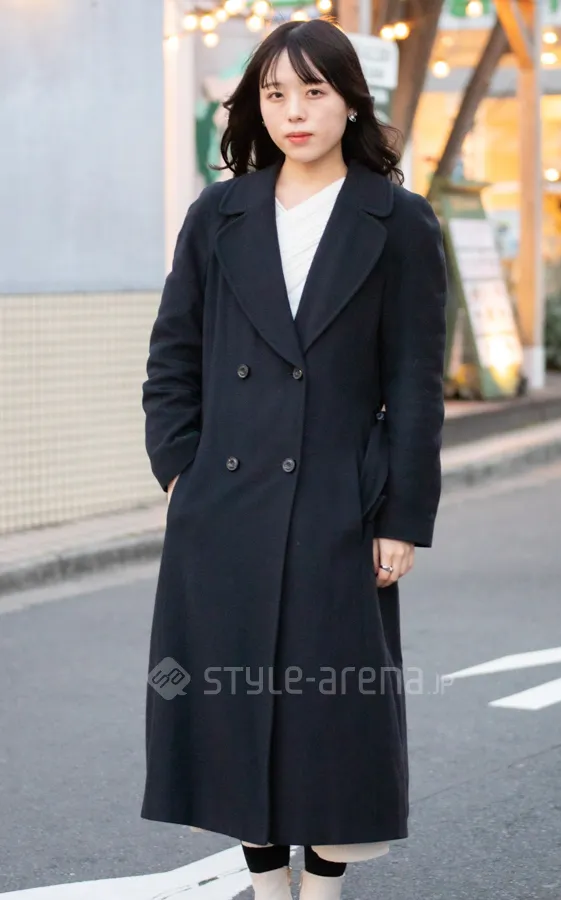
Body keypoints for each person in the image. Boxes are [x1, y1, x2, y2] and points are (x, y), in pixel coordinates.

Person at [141, 16, 447, 900]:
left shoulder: (398, 221)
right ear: (257, 107)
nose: (295, 112)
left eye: (314, 91)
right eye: (276, 94)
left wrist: (401, 515)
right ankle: (268, 881)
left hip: (338, 501)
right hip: (224, 504)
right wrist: (181, 469)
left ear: (350, 101)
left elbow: (415, 382)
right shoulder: (218, 214)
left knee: (335, 711)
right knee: (230, 709)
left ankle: (326, 882)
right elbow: (174, 355)